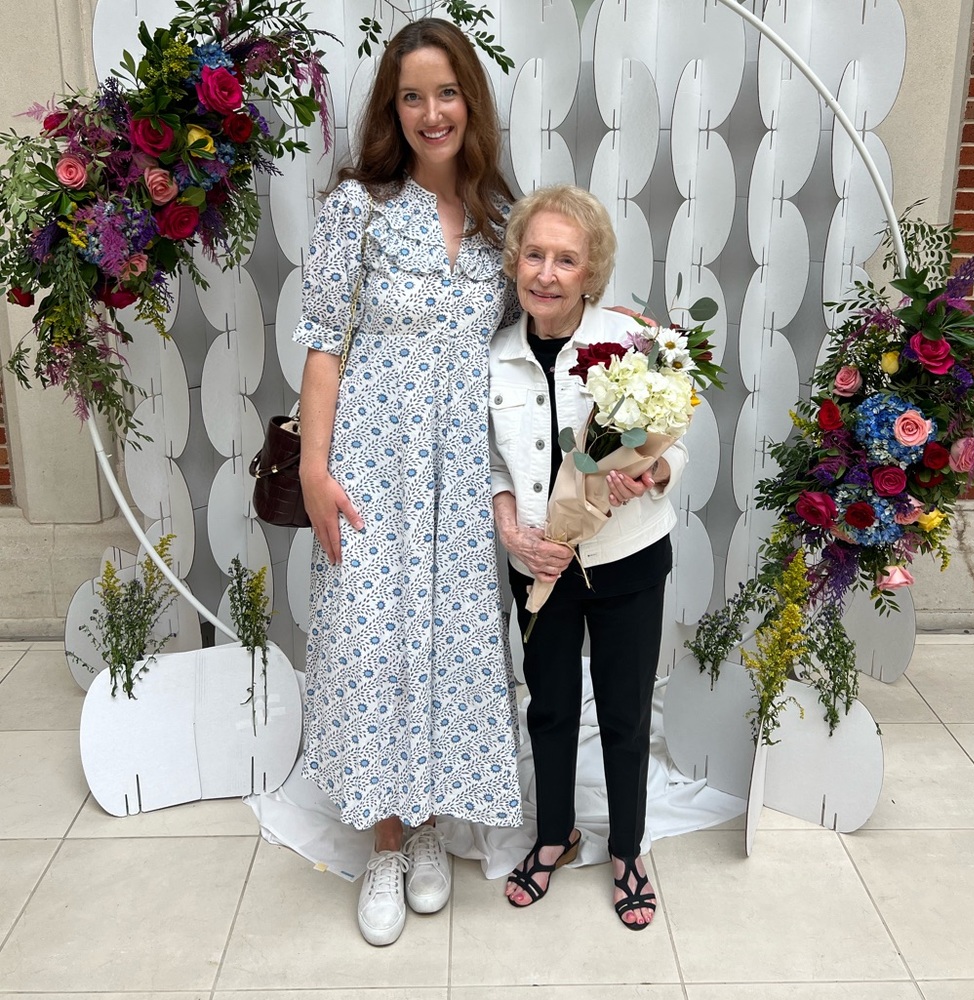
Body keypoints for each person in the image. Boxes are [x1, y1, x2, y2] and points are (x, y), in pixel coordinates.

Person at [293, 18, 522, 947]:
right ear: (395, 108)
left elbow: (536, 335)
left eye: (447, 91)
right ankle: (385, 841)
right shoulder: (360, 207)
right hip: (374, 459)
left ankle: (430, 824)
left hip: (466, 469)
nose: (433, 112)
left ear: (472, 99)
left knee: (449, 641)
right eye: (412, 95)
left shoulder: (501, 221)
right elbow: (323, 344)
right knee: (378, 641)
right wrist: (314, 466)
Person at [489, 185, 689, 930]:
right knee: (548, 707)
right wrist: (512, 530)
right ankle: (554, 836)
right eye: (534, 254)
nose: (545, 272)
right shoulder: (496, 357)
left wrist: (657, 471)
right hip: (539, 567)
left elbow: (677, 440)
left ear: (590, 271)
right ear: (516, 263)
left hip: (628, 557)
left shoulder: (633, 343)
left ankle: (629, 848)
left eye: (565, 259)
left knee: (626, 710)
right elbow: (496, 466)